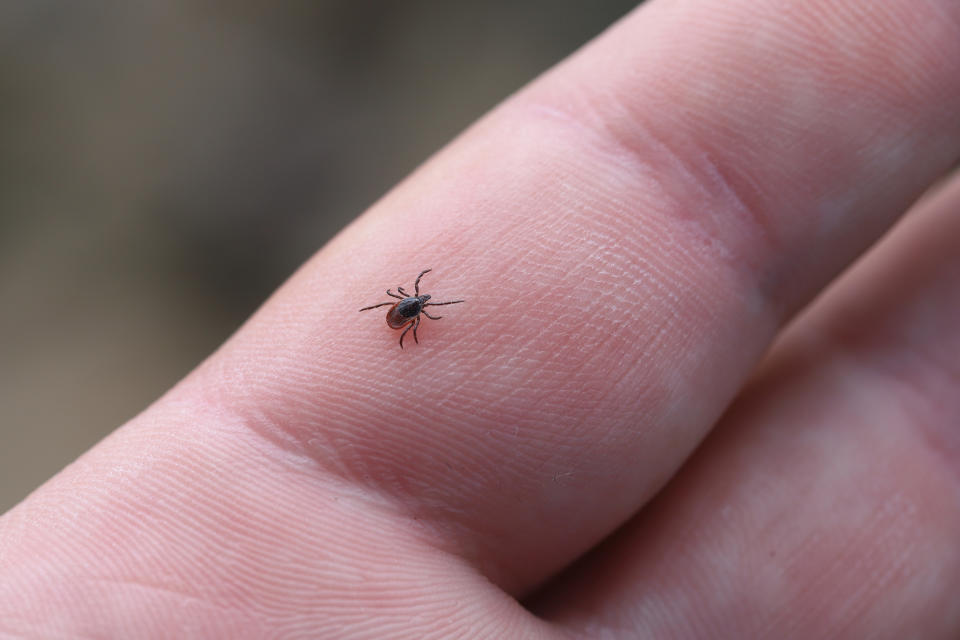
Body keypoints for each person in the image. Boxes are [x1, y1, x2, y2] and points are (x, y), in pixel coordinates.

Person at [2, 0, 960, 637]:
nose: (413, 308)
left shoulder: (405, 308)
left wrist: (402, 314)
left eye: (412, 306)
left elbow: (401, 307)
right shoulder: (410, 313)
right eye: (412, 306)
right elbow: (407, 309)